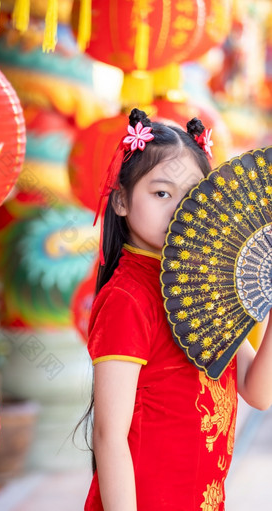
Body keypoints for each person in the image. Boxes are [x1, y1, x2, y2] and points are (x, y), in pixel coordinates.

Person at [83, 108, 272, 511]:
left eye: (192, 197)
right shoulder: (128, 298)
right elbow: (108, 436)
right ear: (120, 200)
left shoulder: (203, 288)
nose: (178, 211)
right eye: (161, 193)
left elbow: (258, 392)